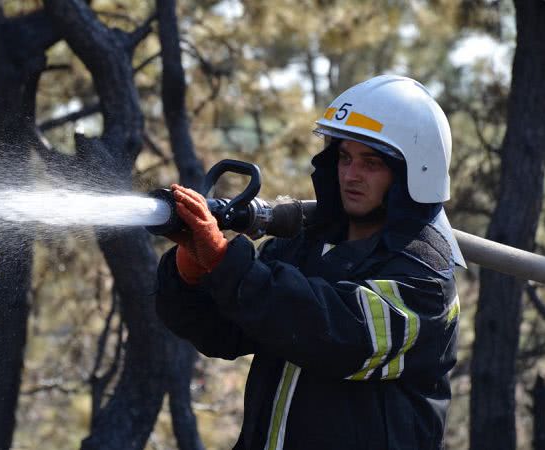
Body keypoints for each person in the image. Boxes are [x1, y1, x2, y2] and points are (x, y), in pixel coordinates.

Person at [155, 75, 465, 450]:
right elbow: (227, 331)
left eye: (371, 163)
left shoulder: (424, 275)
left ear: (411, 173)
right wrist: (193, 269)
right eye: (345, 157)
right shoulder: (306, 244)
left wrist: (225, 260)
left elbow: (335, 335)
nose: (350, 175)